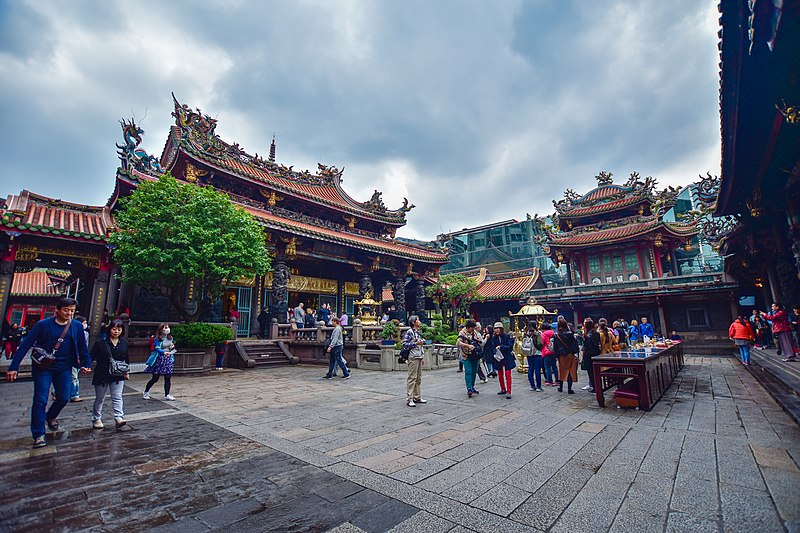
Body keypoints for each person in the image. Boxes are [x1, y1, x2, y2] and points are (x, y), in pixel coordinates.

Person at [6, 297, 92, 448]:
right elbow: (25, 345)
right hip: (43, 368)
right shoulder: (43, 325)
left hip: (64, 367)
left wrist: (86, 363)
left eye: (72, 311)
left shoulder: (76, 326)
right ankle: (39, 434)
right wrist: (14, 367)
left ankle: (50, 416)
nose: (69, 313)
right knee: (40, 400)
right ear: (57, 310)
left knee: (64, 397)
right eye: (66, 310)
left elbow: (82, 346)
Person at [91, 319, 130, 429]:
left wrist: (126, 372)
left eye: (119, 329)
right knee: (99, 398)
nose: (116, 331)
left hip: (118, 374)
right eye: (114, 329)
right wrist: (86, 366)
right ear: (109, 329)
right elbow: (91, 356)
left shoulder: (124, 343)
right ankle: (96, 418)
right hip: (102, 373)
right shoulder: (101, 343)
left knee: (117, 396)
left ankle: (119, 417)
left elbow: (126, 359)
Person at [143, 323, 177, 400]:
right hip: (159, 359)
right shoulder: (157, 339)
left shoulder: (170, 338)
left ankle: (167, 394)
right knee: (155, 378)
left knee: (168, 377)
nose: (167, 329)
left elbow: (171, 346)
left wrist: (172, 347)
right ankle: (146, 391)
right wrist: (163, 352)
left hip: (168, 358)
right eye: (165, 328)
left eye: (167, 327)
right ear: (161, 330)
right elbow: (157, 348)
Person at [486, 322, 515, 398]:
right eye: (495, 328)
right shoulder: (494, 338)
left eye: (497, 328)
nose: (496, 330)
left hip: (507, 357)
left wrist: (501, 347)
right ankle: (503, 388)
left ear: (501, 329)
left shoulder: (507, 336)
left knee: (508, 374)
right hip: (498, 357)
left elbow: (510, 347)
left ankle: (509, 391)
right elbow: (492, 347)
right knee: (500, 373)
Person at [456, 319, 483, 398]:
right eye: (472, 328)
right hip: (466, 355)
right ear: (468, 327)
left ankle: (472, 386)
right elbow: (458, 342)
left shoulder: (474, 333)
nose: (473, 329)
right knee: (468, 371)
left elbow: (479, 341)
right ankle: (469, 388)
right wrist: (467, 345)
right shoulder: (462, 333)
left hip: (475, 355)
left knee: (474, 371)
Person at [403, 315, 426, 407]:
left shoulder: (417, 332)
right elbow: (405, 344)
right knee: (412, 378)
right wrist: (416, 343)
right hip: (413, 357)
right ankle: (410, 398)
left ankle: (417, 396)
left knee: (418, 378)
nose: (419, 321)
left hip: (419, 356)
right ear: (413, 322)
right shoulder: (410, 332)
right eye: (418, 320)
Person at [553, 318, 579, 394]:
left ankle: (560, 387)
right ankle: (569, 389)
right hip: (570, 354)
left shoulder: (556, 335)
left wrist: (556, 356)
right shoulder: (570, 334)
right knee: (570, 370)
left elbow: (555, 347)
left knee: (561, 370)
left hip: (561, 355)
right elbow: (575, 344)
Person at [581, 318, 601, 393]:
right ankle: (597, 385)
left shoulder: (588, 335)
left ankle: (595, 387)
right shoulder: (596, 333)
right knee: (595, 372)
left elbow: (588, 347)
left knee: (591, 372)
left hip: (589, 356)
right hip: (596, 354)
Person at [523, 321, 544, 392]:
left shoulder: (526, 334)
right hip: (537, 353)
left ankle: (532, 385)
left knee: (530, 369)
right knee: (537, 370)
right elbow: (540, 344)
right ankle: (538, 386)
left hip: (529, 353)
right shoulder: (537, 334)